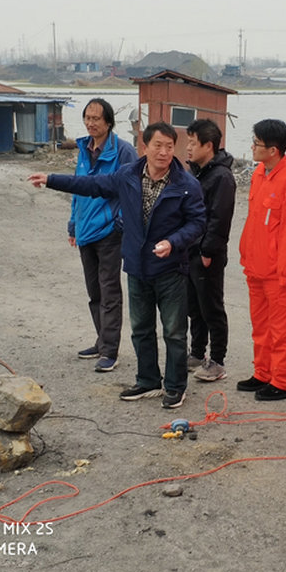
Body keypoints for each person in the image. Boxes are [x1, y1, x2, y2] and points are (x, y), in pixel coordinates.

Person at [28, 122, 205, 409]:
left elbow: (197, 223)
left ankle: (175, 386)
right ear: (144, 147)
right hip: (137, 267)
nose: (163, 152)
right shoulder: (128, 175)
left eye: (169, 147)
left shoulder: (187, 185)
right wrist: (51, 179)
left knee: (173, 332)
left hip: (171, 269)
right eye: (157, 146)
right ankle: (148, 380)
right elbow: (91, 185)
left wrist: (173, 242)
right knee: (141, 329)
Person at [237, 119, 286, 401]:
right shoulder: (259, 173)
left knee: (284, 331)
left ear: (274, 150)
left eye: (257, 144)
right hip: (257, 267)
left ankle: (284, 381)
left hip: (281, 273)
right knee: (262, 326)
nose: (252, 148)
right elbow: (254, 219)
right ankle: (263, 373)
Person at [70, 99, 137, 372]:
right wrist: (73, 225)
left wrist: (120, 222)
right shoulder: (84, 149)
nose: (91, 123)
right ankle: (101, 341)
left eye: (97, 118)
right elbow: (78, 189)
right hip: (86, 231)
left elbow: (133, 191)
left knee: (109, 291)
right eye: (88, 117)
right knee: (93, 291)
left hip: (110, 232)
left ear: (109, 122)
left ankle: (110, 350)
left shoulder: (123, 151)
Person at [184, 119, 236, 382]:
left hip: (208, 253)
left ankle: (217, 360)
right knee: (194, 305)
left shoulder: (222, 177)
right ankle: (196, 353)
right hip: (190, 249)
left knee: (212, 306)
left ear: (209, 145)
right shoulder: (196, 171)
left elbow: (219, 218)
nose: (188, 148)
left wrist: (207, 250)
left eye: (193, 143)